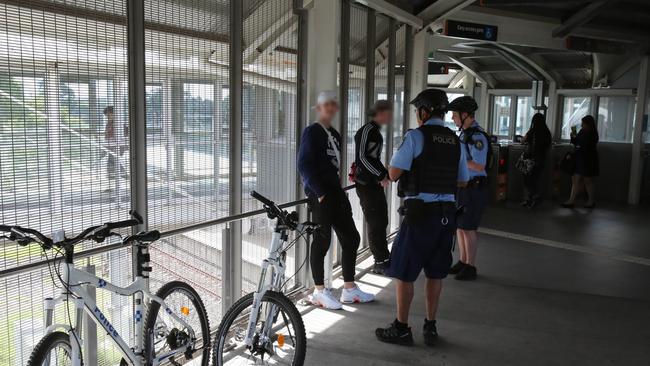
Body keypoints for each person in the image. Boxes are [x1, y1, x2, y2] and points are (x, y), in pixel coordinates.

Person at [375, 89, 469, 346]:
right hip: (446, 218)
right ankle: (430, 327)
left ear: (424, 112)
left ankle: (402, 328)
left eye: (419, 111)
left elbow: (393, 173)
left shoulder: (416, 137)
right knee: (435, 274)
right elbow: (462, 180)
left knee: (404, 274)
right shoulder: (455, 141)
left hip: (420, 217)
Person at [297, 91, 375, 310]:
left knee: (351, 237)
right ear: (319, 108)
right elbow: (304, 164)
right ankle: (319, 291)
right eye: (326, 105)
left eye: (334, 104)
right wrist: (320, 193)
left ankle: (349, 289)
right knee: (322, 241)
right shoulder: (312, 132)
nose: (331, 108)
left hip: (335, 193)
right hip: (320, 194)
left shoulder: (335, 134)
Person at [448, 96, 488, 281]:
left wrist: (458, 160)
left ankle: (471, 265)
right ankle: (463, 261)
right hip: (463, 187)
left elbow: (479, 166)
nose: (453, 119)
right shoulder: (464, 135)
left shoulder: (477, 136)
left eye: (455, 115)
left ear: (465, 115)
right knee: (461, 226)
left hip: (474, 188)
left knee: (469, 228)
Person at [353, 100, 392, 275]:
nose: (390, 117)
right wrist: (381, 175)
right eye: (388, 113)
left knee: (382, 220)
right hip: (366, 185)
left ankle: (384, 257)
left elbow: (373, 158)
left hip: (373, 184)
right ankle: (380, 260)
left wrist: (385, 174)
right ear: (379, 113)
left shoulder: (376, 131)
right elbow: (362, 158)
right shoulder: (367, 131)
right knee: (376, 222)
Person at [562, 115, 599, 209]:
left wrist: (578, 142)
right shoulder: (583, 131)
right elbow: (575, 142)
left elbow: (584, 145)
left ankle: (590, 201)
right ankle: (572, 201)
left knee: (587, 181)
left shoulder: (592, 134)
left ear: (588, 124)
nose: (582, 125)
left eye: (583, 123)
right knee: (575, 179)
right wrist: (573, 134)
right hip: (580, 158)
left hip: (588, 160)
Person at [521, 113, 552, 208]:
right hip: (541, 160)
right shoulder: (547, 132)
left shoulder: (532, 131)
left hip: (531, 160)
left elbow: (523, 140)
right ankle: (535, 198)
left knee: (528, 180)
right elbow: (548, 146)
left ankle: (530, 199)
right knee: (536, 179)